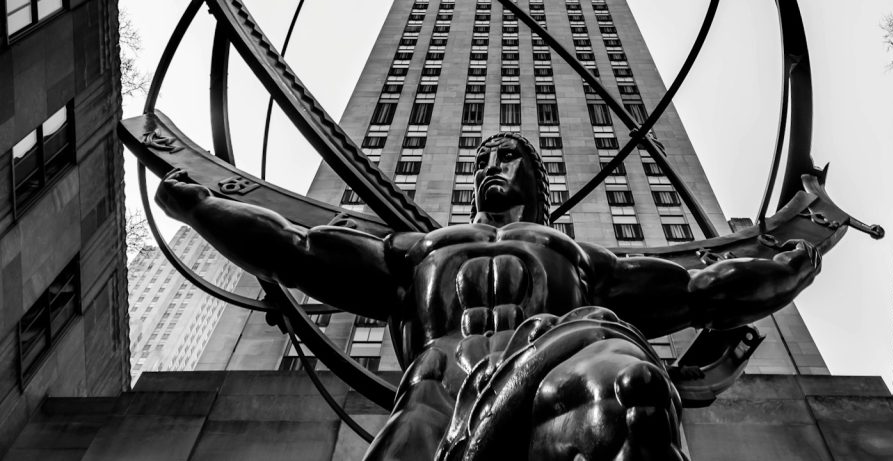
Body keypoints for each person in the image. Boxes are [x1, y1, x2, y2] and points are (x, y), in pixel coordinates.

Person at [156, 132, 821, 460]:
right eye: (479, 162)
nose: (487, 168)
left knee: (634, 391)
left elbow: (700, 289)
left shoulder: (579, 257)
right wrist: (200, 207)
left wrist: (784, 271)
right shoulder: (417, 249)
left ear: (537, 179)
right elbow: (296, 250)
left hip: (556, 369)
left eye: (505, 158)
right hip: (437, 395)